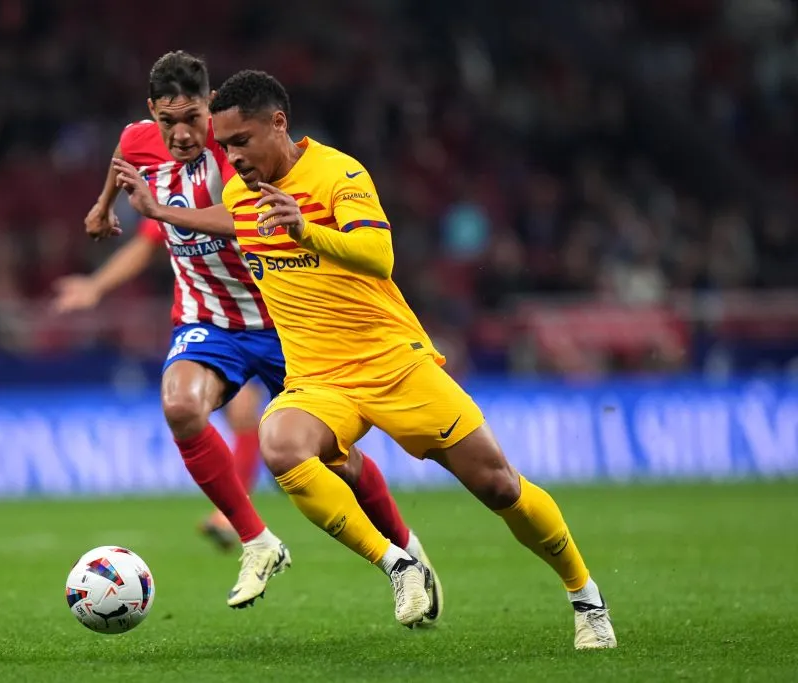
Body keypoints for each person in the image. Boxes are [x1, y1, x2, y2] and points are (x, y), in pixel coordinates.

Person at [113, 69, 616, 648]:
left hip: (391, 364)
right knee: (281, 446)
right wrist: (160, 212)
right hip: (317, 379)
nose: (232, 157)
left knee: (499, 486)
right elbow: (228, 222)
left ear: (279, 124)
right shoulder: (238, 193)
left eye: (241, 142)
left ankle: (585, 596)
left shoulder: (339, 173)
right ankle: (399, 564)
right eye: (224, 146)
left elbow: (379, 255)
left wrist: (307, 231)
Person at [73, 52, 439, 615]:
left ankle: (406, 547)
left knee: (337, 459)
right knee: (180, 407)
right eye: (167, 120)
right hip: (208, 319)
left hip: (282, 322)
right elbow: (124, 153)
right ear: (151, 112)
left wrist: (160, 214)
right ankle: (257, 541)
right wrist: (102, 208)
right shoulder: (140, 138)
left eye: (192, 117)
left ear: (209, 104)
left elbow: (239, 217)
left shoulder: (236, 151)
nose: (181, 133)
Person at [54, 220, 266, 551]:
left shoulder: (246, 181)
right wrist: (96, 286)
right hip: (216, 323)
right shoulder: (177, 187)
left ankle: (269, 491)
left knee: (296, 428)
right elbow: (145, 243)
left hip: (273, 312)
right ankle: (233, 516)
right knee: (240, 412)